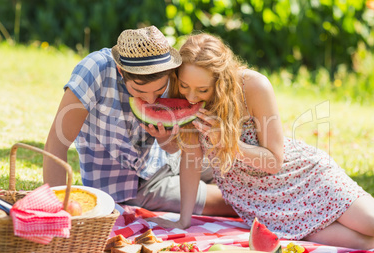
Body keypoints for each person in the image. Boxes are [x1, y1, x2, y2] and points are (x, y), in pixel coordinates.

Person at [147, 33, 374, 249]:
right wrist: (183, 220)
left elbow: (275, 161)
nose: (190, 97)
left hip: (301, 175)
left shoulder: (253, 86)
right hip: (256, 199)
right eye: (185, 85)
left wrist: (229, 142)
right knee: (361, 241)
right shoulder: (183, 97)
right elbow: (191, 158)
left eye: (202, 90)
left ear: (221, 83)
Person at [43, 26, 236, 217]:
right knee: (234, 201)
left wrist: (164, 138)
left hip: (167, 161)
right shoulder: (94, 71)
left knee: (239, 172)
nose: (152, 100)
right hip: (135, 187)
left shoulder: (170, 72)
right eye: (141, 91)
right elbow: (56, 145)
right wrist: (60, 211)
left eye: (159, 91)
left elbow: (172, 148)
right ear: (120, 70)